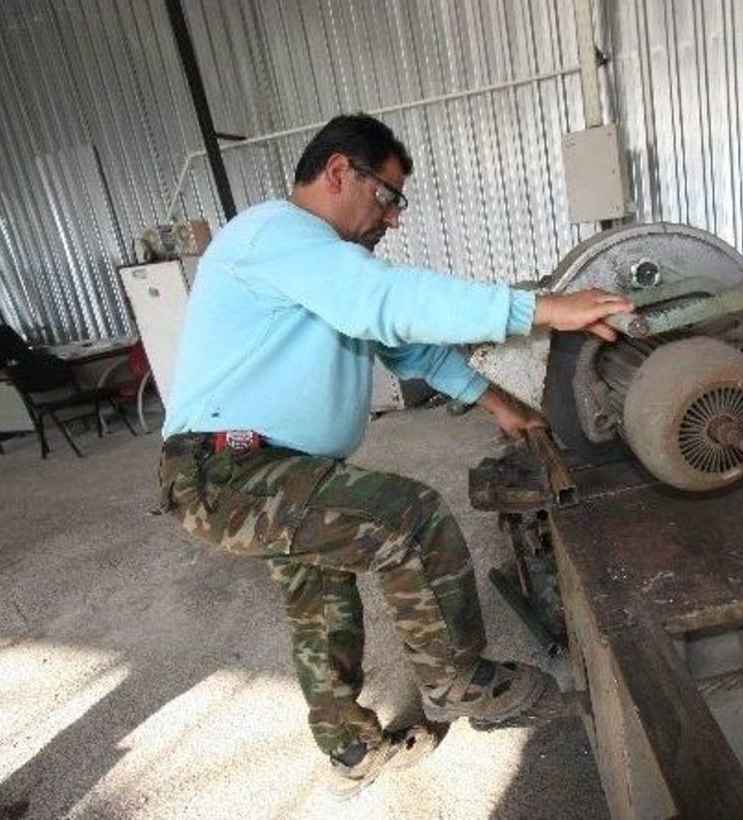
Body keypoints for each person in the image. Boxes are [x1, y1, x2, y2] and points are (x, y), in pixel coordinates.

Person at [157, 113, 631, 793]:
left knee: (322, 599)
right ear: (339, 172)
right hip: (224, 468)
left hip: (271, 468)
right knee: (409, 519)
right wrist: (543, 309)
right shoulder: (276, 234)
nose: (393, 218)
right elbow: (385, 302)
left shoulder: (318, 266)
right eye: (387, 197)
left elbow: (408, 349)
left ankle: (351, 750)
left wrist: (499, 404)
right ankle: (460, 681)